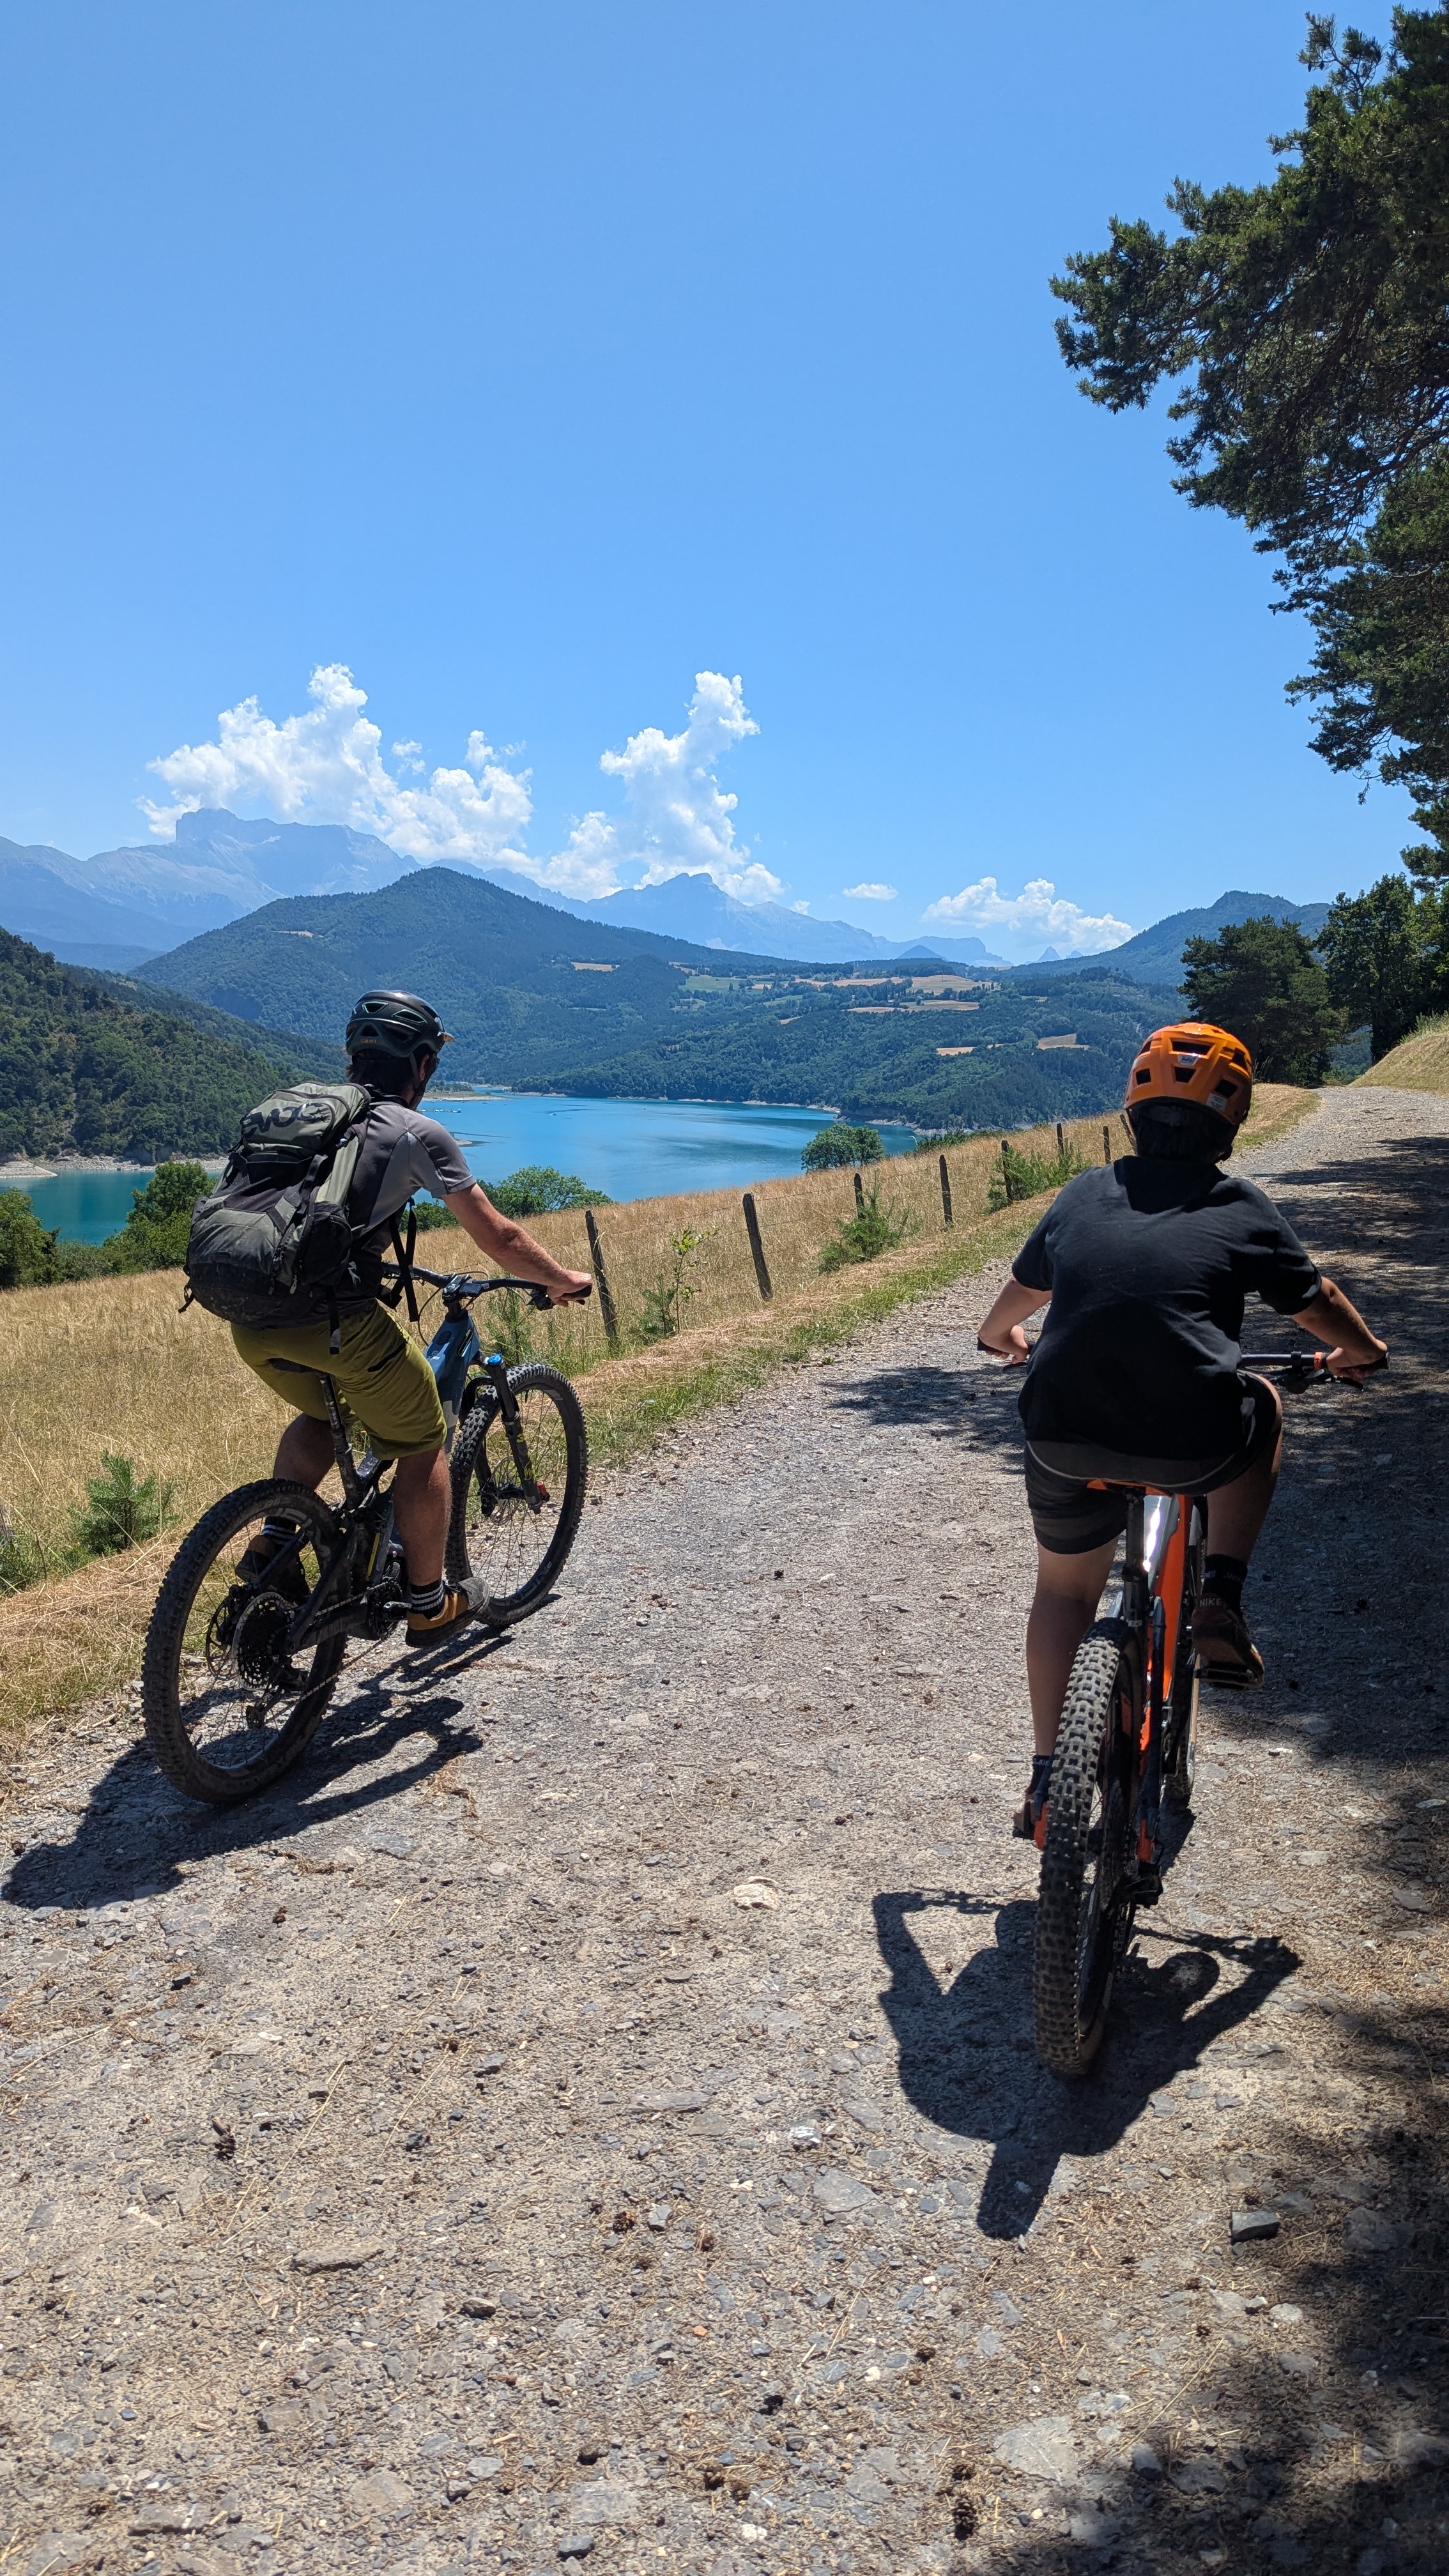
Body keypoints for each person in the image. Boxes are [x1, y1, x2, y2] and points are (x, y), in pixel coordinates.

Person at [974, 1021, 1386, 1838]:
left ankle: (1050, 1778)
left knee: (1063, 1590)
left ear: (1132, 1113)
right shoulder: (1239, 1206)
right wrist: (1362, 1352)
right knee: (1262, 1400)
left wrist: (999, 1337)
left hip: (1062, 1436)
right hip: (1193, 1442)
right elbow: (1318, 1301)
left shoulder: (1082, 1194)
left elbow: (1018, 1300)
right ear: (1232, 1125)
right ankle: (1222, 1593)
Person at [229, 991, 593, 1641]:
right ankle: (428, 1602)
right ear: (423, 1064)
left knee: (326, 1414)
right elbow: (500, 1237)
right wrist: (562, 1280)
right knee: (425, 1436)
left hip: (249, 1316)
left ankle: (274, 1543)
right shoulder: (414, 1131)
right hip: (330, 1321)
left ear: (354, 1057)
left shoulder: (302, 1112)